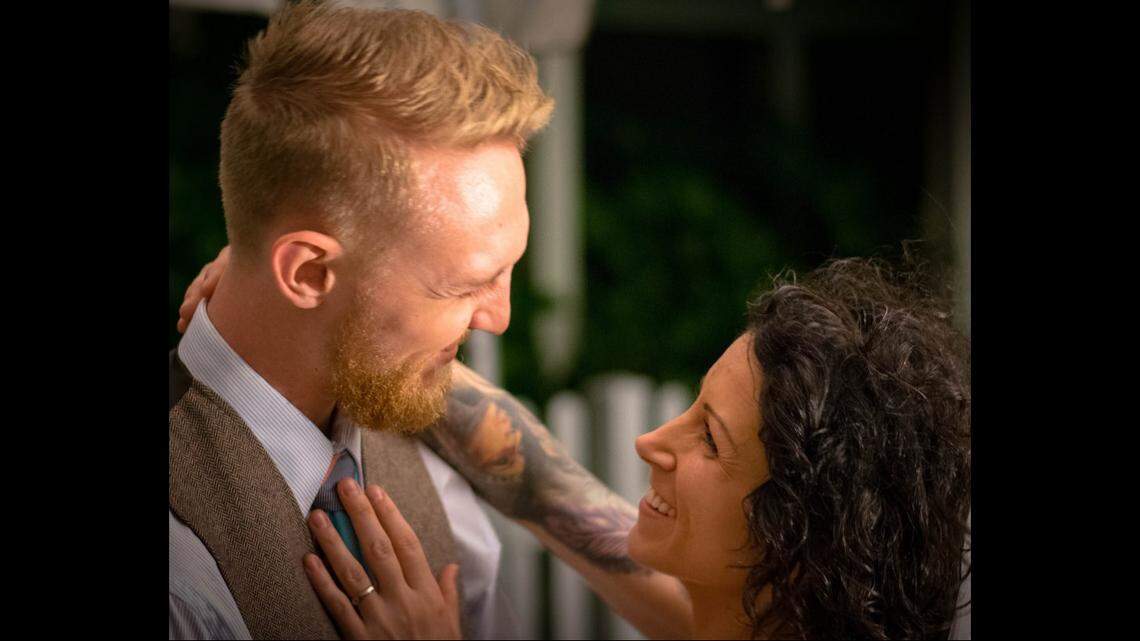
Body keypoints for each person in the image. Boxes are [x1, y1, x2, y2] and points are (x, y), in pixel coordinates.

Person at [170, 2, 692, 639]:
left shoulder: (427, 462)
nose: (499, 318)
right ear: (307, 274)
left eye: (508, 270)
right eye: (464, 285)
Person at [243, 258, 971, 639]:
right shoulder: (744, 611)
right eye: (693, 407)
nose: (650, 441)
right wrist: (319, 310)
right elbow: (544, 484)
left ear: (794, 543)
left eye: (709, 439)